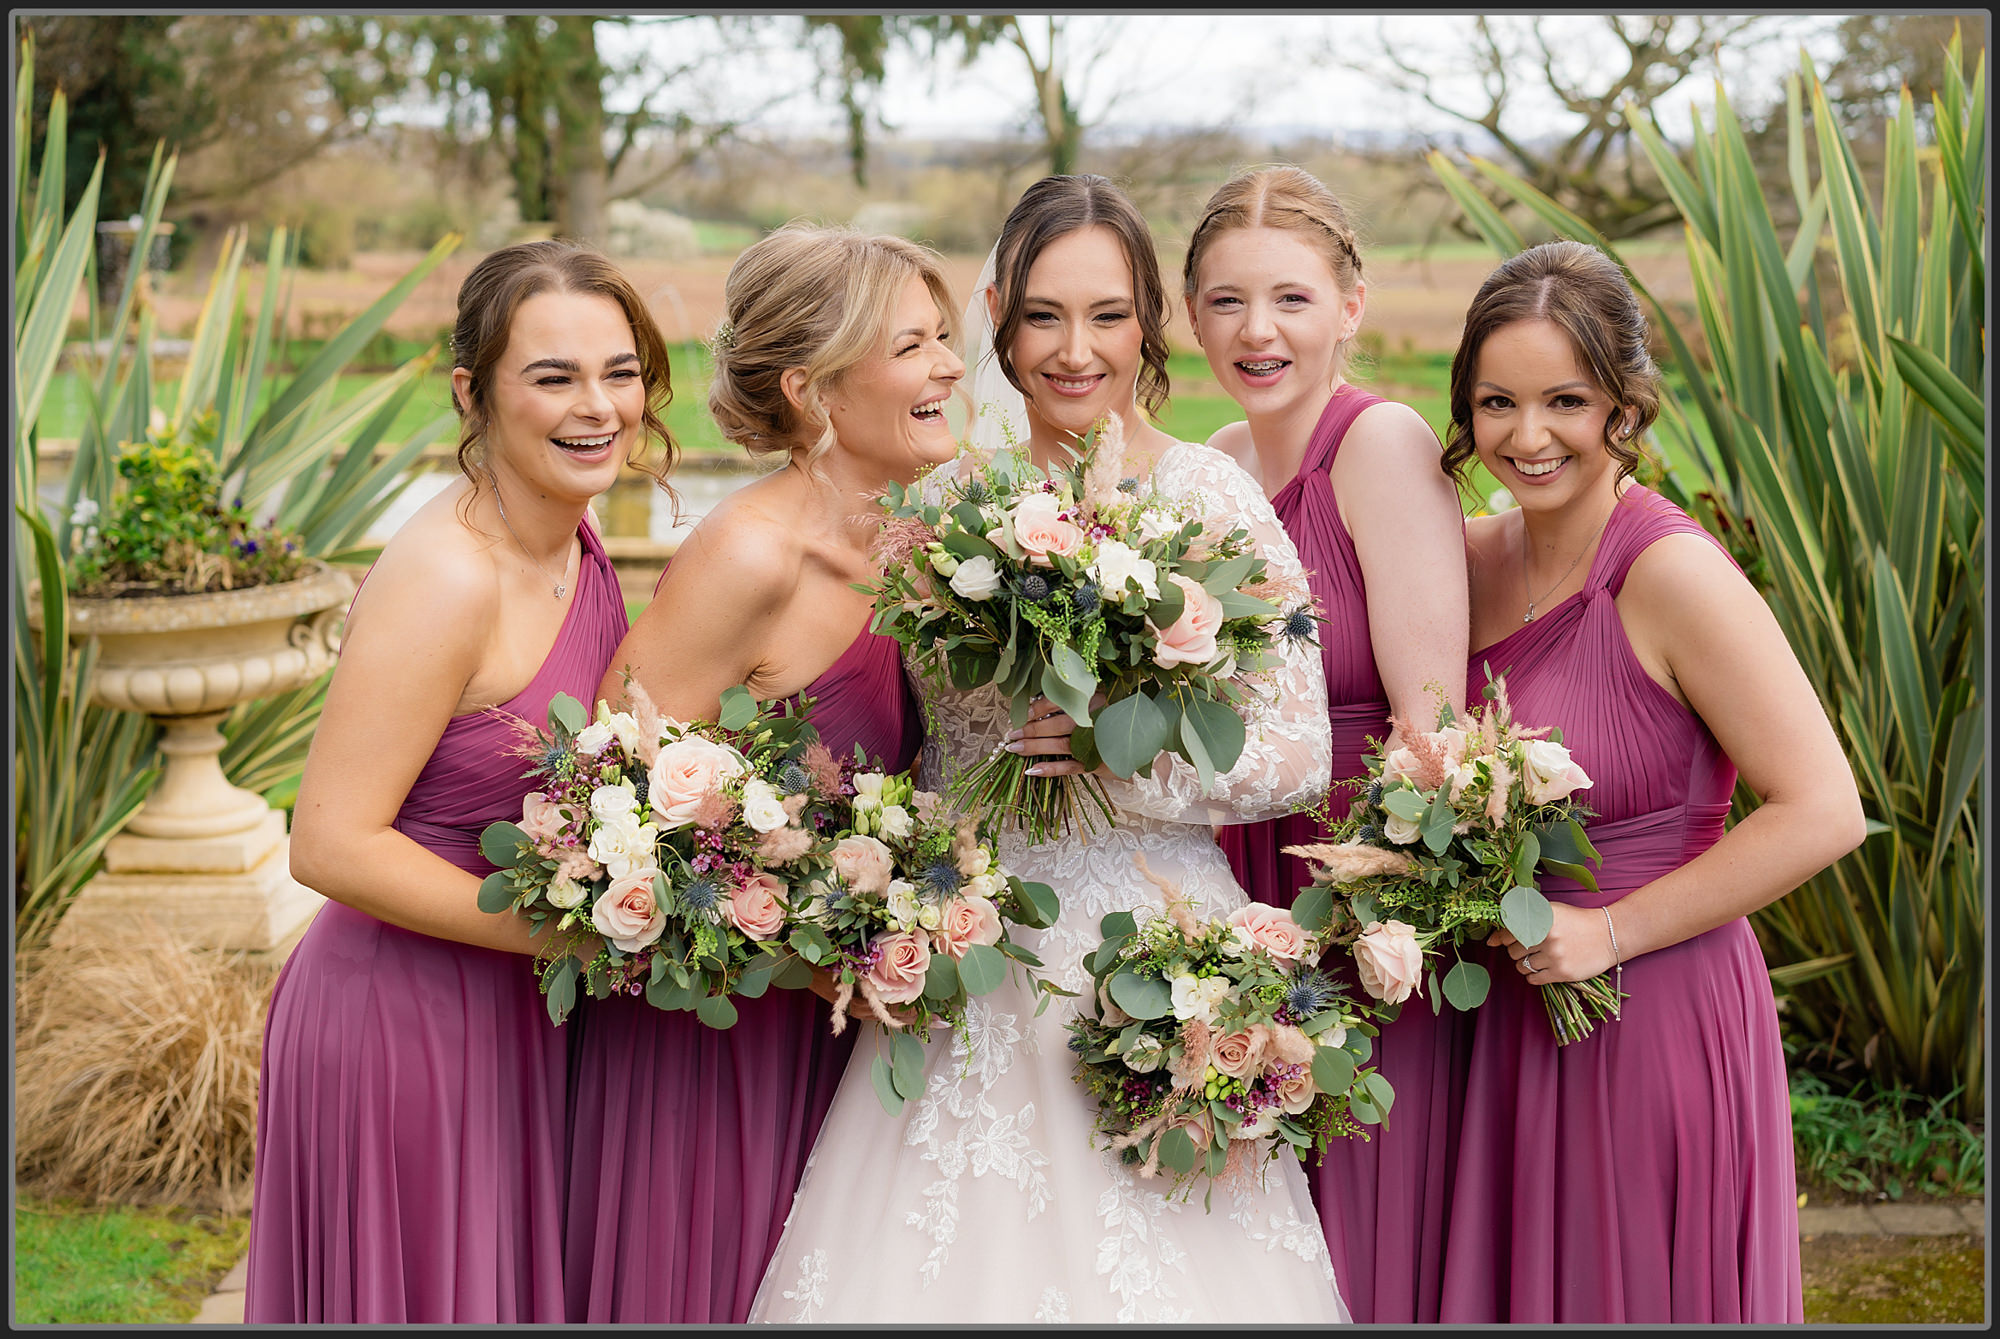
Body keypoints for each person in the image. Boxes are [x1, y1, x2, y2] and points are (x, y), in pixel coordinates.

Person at [749, 174, 1346, 1325]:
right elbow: (901, 727)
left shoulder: (1210, 496)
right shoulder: (940, 502)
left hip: (1157, 949)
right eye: (1042, 316)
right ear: (998, 318)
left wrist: (1117, 759)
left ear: (1145, 326)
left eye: (1106, 316)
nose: (1075, 350)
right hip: (969, 943)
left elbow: (1297, 753)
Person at [1434, 239, 1866, 1322]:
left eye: (1563, 400)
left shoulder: (1668, 573)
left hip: (1649, 1003)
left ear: (1623, 407)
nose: (1524, 438)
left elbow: (1822, 808)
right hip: (1507, 1021)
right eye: (1495, 402)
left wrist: (1608, 933)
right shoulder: (1465, 557)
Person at [245, 239, 676, 1323]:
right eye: (553, 376)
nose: (599, 407)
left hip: (519, 1015)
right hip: (402, 1026)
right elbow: (329, 842)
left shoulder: (577, 543)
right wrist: (570, 932)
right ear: (470, 392)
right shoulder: (443, 576)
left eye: (618, 372)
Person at [563, 224, 955, 1324]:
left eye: (943, 340)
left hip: (840, 1016)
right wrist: (784, 943)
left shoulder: (915, 537)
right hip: (714, 1038)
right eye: (914, 345)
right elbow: (609, 808)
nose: (950, 369)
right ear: (813, 386)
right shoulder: (748, 554)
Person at [1183, 164, 1471, 1323]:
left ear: (1348, 305)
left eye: (1291, 299)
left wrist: (1354, 931)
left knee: (1350, 1212)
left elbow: (1429, 731)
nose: (1257, 331)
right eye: (1223, 301)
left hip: (1350, 890)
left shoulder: (1381, 444)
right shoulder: (1211, 458)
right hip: (1228, 874)